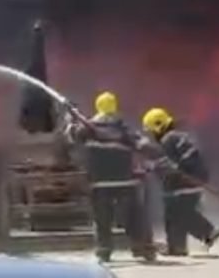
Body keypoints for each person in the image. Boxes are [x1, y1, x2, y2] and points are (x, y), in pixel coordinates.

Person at [65, 91, 156, 263]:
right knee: (133, 216)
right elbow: (142, 144)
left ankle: (104, 251)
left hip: (100, 183)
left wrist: (70, 119)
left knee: (102, 219)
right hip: (125, 181)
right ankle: (143, 248)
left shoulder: (87, 128)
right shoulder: (123, 127)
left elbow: (71, 137)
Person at [141, 107, 219, 256]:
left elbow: (167, 165)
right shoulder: (179, 136)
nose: (152, 135)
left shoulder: (168, 140)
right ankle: (177, 247)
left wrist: (150, 168)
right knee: (174, 212)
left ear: (158, 127)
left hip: (185, 181)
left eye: (151, 131)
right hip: (194, 178)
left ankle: (208, 232)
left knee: (179, 212)